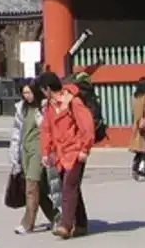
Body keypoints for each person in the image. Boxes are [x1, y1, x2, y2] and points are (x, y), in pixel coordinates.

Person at [39, 71, 94, 240]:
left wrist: (85, 149)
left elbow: (87, 126)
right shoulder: (49, 106)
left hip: (75, 150)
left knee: (68, 187)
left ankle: (66, 224)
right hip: (60, 153)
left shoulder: (73, 102)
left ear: (47, 89)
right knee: (72, 187)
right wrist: (46, 152)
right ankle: (82, 223)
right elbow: (46, 130)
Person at [11, 80, 57, 234]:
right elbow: (16, 133)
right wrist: (14, 156)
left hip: (38, 150)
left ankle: (27, 224)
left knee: (31, 186)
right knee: (38, 188)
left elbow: (48, 130)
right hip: (25, 151)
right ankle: (56, 217)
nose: (26, 96)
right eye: (24, 93)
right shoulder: (21, 109)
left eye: (29, 92)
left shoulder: (42, 108)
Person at [127, 80, 145, 181]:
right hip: (144, 126)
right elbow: (141, 113)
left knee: (142, 151)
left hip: (139, 125)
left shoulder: (135, 97)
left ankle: (140, 168)